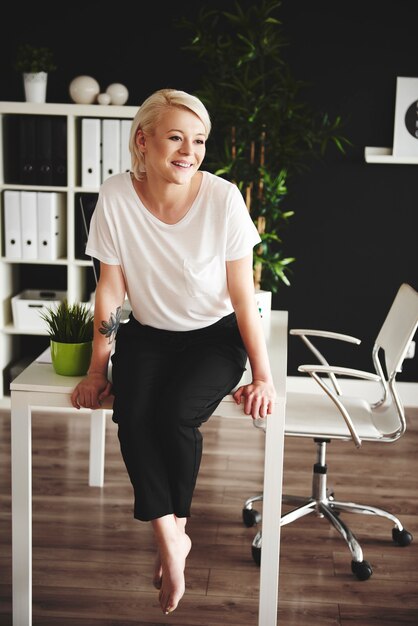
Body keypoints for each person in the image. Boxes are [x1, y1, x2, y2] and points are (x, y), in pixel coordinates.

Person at [71, 88, 276, 615]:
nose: (189, 151)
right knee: (133, 415)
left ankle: (174, 530)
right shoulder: (115, 197)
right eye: (176, 137)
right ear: (144, 140)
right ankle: (171, 535)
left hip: (214, 335)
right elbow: (110, 293)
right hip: (149, 334)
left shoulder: (224, 198)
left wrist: (263, 375)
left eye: (200, 140)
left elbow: (242, 296)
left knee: (173, 413)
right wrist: (97, 369)